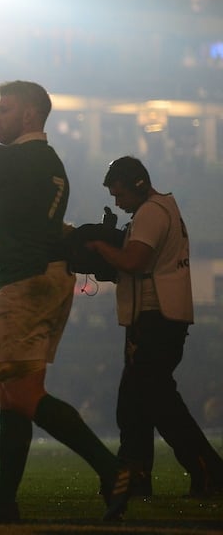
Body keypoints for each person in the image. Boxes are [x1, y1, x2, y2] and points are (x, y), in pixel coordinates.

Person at [0, 80, 131, 522]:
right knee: (11, 393)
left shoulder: (9, 157)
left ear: (28, 115)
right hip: (53, 278)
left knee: (21, 392)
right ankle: (4, 500)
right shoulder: (49, 161)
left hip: (23, 281)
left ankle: (112, 468)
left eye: (3, 109)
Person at [87, 156, 223, 497]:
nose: (117, 202)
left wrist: (100, 246)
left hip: (155, 317)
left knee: (154, 401)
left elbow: (134, 261)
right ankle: (140, 474)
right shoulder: (163, 208)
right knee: (139, 400)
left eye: (119, 194)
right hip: (160, 316)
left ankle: (205, 468)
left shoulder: (149, 212)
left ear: (137, 184)